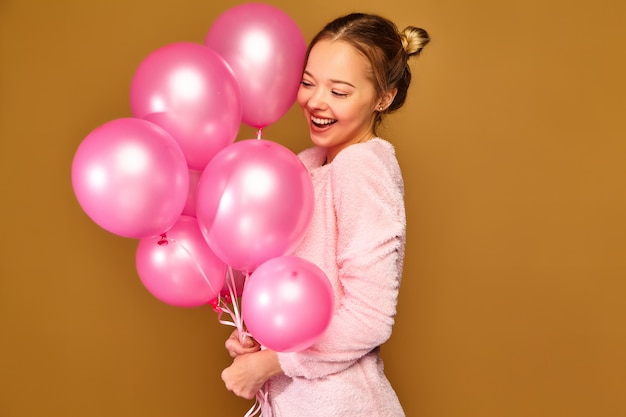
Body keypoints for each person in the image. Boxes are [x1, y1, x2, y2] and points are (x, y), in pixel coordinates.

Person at [221, 12, 430, 416]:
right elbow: (297, 292)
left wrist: (270, 363)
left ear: (383, 98)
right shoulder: (308, 166)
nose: (316, 101)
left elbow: (370, 317)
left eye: (340, 91)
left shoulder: (362, 170)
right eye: (307, 83)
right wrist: (258, 339)